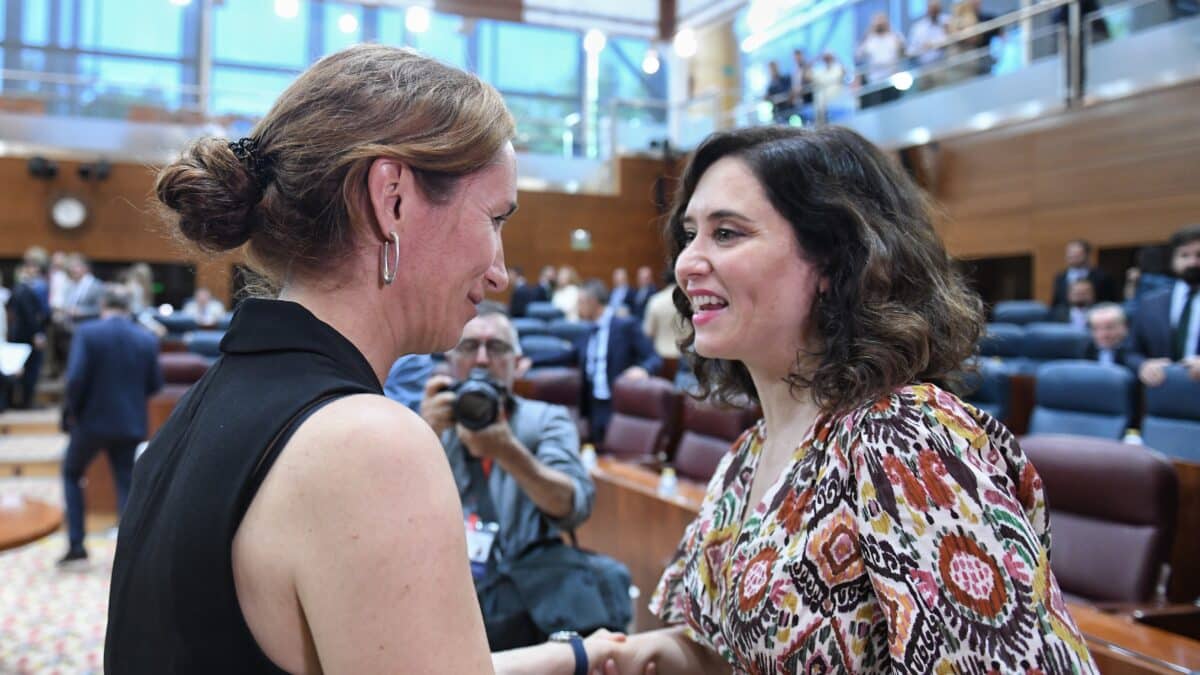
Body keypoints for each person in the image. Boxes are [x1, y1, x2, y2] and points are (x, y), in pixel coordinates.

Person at [105, 45, 625, 674]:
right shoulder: (369, 445)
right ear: (392, 200)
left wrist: (572, 657)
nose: (498, 271)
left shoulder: (205, 410)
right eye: (493, 219)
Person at [588, 127, 1098, 673]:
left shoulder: (905, 439)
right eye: (689, 234)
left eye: (727, 233)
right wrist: (578, 657)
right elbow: (726, 654)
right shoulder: (748, 454)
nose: (687, 263)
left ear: (832, 261)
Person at [419, 305, 600, 650]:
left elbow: (573, 506)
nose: (483, 360)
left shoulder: (547, 418)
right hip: (447, 592)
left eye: (497, 348)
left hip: (529, 599)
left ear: (519, 363)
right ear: (451, 361)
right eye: (469, 347)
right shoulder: (427, 420)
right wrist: (423, 433)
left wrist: (508, 451)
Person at [59, 285, 163, 565]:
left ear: (103, 306)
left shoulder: (88, 332)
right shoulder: (146, 339)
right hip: (130, 423)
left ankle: (77, 544)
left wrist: (73, 413)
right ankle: (129, 555)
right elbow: (155, 385)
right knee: (126, 484)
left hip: (90, 422)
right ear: (128, 308)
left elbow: (75, 379)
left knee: (71, 473)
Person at [574, 280, 661, 443]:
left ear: (593, 302)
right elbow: (568, 354)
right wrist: (531, 360)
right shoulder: (588, 330)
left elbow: (654, 358)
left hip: (618, 405)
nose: (577, 308)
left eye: (580, 302)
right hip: (593, 404)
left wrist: (643, 370)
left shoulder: (626, 326)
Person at [1127, 224, 1200, 386]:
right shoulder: (1149, 303)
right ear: (1173, 260)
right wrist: (1142, 365)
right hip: (1161, 395)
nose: (1193, 262)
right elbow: (1131, 353)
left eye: (1199, 255)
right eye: (1184, 255)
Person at [6, 261, 50, 409]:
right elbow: (30, 315)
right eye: (32, 269)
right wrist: (37, 334)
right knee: (30, 370)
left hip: (18, 335)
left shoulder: (16, 289)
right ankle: (26, 402)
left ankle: (17, 401)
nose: (35, 273)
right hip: (27, 336)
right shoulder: (24, 290)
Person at [856, 12, 907, 108]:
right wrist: (868, 33)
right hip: (875, 81)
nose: (880, 24)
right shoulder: (869, 39)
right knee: (878, 107)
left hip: (893, 79)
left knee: (896, 106)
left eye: (882, 21)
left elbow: (904, 50)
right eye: (877, 22)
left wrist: (891, 30)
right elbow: (858, 56)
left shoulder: (894, 36)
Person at [1052, 239, 1116, 308]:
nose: (1072, 256)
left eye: (1077, 254)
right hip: (1065, 317)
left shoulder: (1102, 277)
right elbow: (1056, 302)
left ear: (1087, 255)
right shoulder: (1060, 277)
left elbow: (1111, 301)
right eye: (1070, 253)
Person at [1084, 303, 1131, 367]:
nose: (1103, 334)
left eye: (1109, 327)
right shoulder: (1085, 352)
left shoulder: (1134, 352)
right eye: (1096, 328)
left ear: (1124, 328)